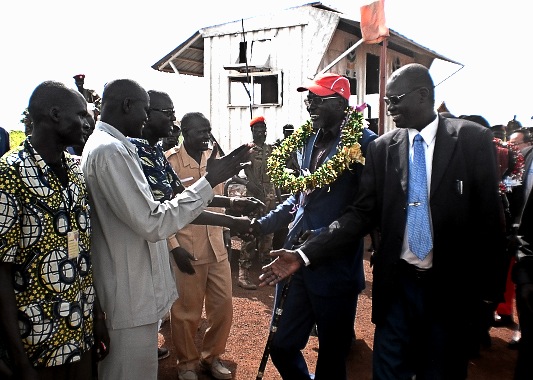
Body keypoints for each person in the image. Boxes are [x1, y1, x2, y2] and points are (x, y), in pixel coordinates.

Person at [260, 63, 507, 380]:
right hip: (398, 288)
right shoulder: (382, 148)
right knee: (387, 372)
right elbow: (360, 215)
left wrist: (486, 300)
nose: (388, 106)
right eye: (387, 99)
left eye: (395, 99)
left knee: (440, 371)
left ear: (423, 96)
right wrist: (304, 253)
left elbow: (490, 226)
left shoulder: (471, 140)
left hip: (449, 291)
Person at [80, 79, 251, 380]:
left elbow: (169, 200)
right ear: (127, 105)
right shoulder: (111, 151)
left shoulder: (119, 148)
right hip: (129, 292)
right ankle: (188, 364)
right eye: (146, 110)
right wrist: (210, 182)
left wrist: (229, 209)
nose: (147, 119)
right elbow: (154, 220)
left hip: (137, 290)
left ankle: (210, 358)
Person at [247, 72, 377, 379]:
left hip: (334, 267)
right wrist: (261, 225)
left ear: (341, 103)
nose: (310, 106)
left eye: (318, 100)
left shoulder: (365, 144)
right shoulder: (308, 141)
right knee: (282, 345)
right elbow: (300, 197)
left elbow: (363, 214)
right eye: (309, 99)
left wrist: (317, 239)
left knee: (332, 357)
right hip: (294, 260)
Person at [0, 81, 109, 380]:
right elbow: (1, 271)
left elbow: (82, 253)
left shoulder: (76, 170)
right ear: (55, 114)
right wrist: (19, 360)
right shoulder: (9, 174)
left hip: (82, 333)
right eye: (81, 115)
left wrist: (96, 317)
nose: (89, 123)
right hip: (38, 344)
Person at [165, 112, 248, 380]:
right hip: (187, 250)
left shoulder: (215, 160)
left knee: (223, 307)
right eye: (201, 131)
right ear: (185, 132)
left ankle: (211, 357)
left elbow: (219, 197)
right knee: (186, 312)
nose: (206, 136)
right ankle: (187, 363)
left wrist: (226, 232)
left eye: (208, 131)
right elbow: (164, 211)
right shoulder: (171, 162)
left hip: (216, 249)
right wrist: (173, 246)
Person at [234, 116, 280, 290]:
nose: (261, 133)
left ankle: (266, 273)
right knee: (250, 234)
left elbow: (275, 177)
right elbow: (235, 174)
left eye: (263, 130)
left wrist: (279, 199)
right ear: (252, 132)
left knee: (268, 235)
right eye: (257, 130)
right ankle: (243, 274)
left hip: (269, 199)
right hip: (253, 199)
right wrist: (248, 183)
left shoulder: (272, 150)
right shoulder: (247, 151)